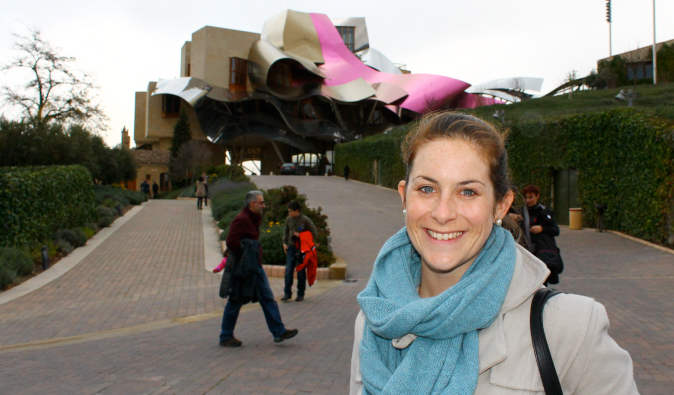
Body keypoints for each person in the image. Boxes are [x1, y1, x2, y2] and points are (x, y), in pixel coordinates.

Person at [350, 112, 638, 394]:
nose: (443, 213)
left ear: (501, 205)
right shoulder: (374, 320)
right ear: (404, 195)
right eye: (427, 188)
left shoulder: (570, 328)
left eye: (468, 192)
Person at [219, 190, 299, 347]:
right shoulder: (241, 220)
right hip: (244, 269)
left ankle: (279, 331)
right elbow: (231, 241)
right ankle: (225, 336)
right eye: (261, 202)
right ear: (252, 203)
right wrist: (246, 254)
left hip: (255, 268)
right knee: (236, 300)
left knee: (267, 298)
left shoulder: (252, 219)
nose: (264, 205)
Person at [509, 184, 563, 285]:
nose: (528, 200)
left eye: (531, 197)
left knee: (542, 282)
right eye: (526, 197)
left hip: (543, 253)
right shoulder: (521, 211)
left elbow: (556, 230)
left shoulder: (545, 211)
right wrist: (511, 217)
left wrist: (542, 228)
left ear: (537, 196)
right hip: (527, 252)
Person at [281, 201, 318, 302]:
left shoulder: (305, 220)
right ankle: (287, 293)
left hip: (302, 249)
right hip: (291, 247)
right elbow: (286, 231)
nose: (289, 213)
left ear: (297, 211)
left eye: (291, 211)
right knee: (288, 270)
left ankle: (300, 293)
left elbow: (314, 233)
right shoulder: (289, 219)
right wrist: (284, 242)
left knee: (300, 271)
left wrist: (301, 236)